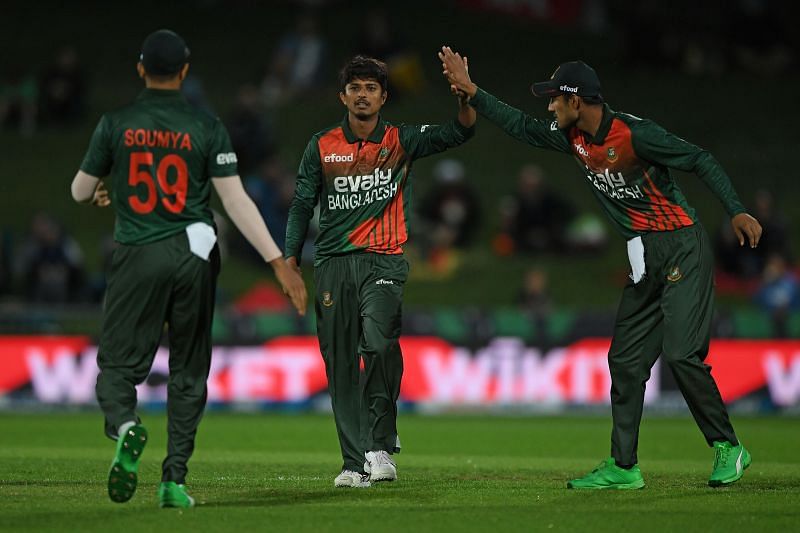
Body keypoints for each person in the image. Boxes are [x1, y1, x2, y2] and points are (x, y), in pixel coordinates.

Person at [440, 48, 763, 489]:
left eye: (555, 98)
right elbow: (520, 125)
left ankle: (728, 446)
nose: (549, 105)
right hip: (642, 255)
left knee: (682, 353)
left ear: (576, 101)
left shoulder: (636, 135)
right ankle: (624, 467)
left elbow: (700, 158)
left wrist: (736, 211)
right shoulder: (570, 136)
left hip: (681, 246)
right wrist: (472, 91)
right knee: (626, 361)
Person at [71, 29, 306, 508]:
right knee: (189, 369)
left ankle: (127, 425)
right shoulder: (206, 125)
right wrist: (277, 261)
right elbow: (234, 198)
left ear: (140, 69)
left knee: (116, 367)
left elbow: (79, 190)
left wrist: (101, 188)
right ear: (184, 71)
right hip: (195, 251)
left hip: (138, 252)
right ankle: (173, 480)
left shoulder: (116, 123)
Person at [285, 55, 475, 488]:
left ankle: (381, 445)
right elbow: (300, 205)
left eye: (371, 88)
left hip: (384, 260)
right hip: (332, 264)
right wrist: (290, 258)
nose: (363, 95)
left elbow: (459, 131)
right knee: (339, 363)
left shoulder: (401, 140)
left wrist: (466, 99)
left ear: (384, 97)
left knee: (378, 342)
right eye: (356, 88)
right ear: (343, 96)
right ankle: (354, 463)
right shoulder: (320, 145)